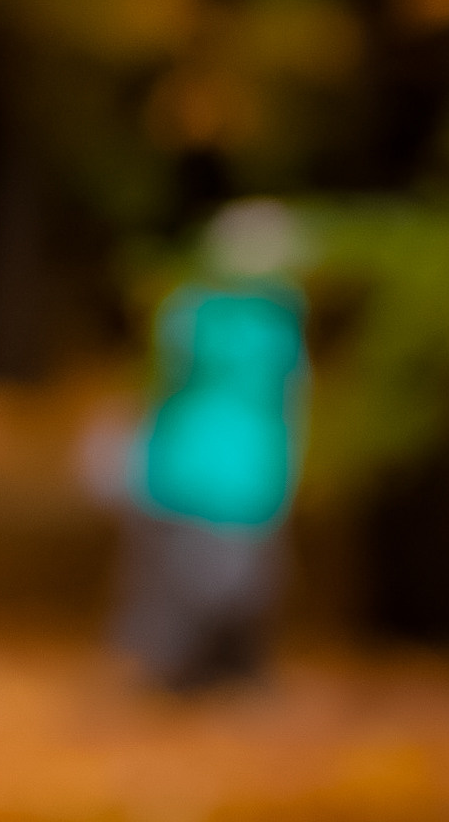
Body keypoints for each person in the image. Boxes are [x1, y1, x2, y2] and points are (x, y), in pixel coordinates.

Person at [112, 198, 310, 691]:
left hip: (201, 469)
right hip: (225, 472)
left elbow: (159, 385)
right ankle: (201, 674)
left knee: (198, 581)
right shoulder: (270, 321)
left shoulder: (193, 311)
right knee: (215, 582)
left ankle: (196, 673)